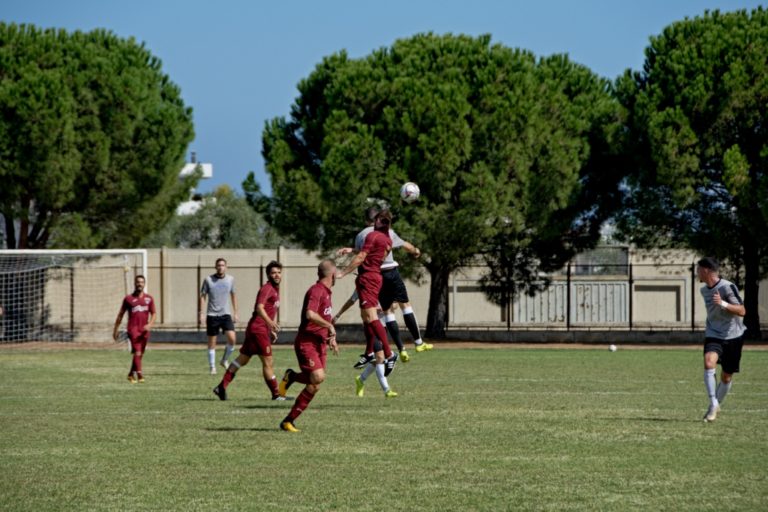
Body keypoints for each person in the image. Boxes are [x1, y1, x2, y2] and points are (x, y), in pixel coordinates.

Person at [337, 206, 432, 365]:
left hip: (373, 276)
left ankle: (397, 349)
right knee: (404, 305)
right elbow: (405, 246)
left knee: (383, 313)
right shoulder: (387, 234)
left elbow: (363, 253)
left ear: (367, 220)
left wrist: (348, 258)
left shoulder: (361, 235)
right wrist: (416, 251)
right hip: (390, 272)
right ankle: (417, 342)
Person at [336, 209, 398, 398]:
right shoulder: (388, 241)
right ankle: (370, 361)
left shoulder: (371, 236)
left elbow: (363, 257)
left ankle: (388, 353)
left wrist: (343, 272)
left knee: (370, 319)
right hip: (372, 279)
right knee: (367, 319)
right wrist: (353, 250)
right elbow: (371, 254)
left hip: (368, 279)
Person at [277, 260, 339, 432]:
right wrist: (330, 326)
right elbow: (310, 314)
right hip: (307, 342)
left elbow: (323, 319)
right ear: (332, 275)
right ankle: (287, 421)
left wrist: (331, 337)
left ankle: (291, 378)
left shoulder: (327, 292)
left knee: (316, 382)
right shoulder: (316, 290)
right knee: (317, 377)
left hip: (319, 343)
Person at [213, 261, 284, 401]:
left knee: (242, 360)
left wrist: (270, 328)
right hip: (258, 330)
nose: (277, 275)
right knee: (268, 362)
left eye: (279, 272)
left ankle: (221, 387)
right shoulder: (267, 288)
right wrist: (270, 323)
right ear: (268, 275)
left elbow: (268, 310)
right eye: (273, 272)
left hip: (257, 329)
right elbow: (259, 307)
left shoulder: (275, 289)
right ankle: (276, 395)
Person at [696, 257, 746, 422]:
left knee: (726, 377)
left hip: (733, 336)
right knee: (709, 362)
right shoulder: (704, 290)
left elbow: (742, 311)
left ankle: (715, 405)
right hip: (713, 334)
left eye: (698, 269)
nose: (696, 272)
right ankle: (713, 403)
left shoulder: (727, 287)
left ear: (706, 270)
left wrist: (723, 303)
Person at [113, 275, 156, 383]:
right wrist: (115, 329)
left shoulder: (149, 298)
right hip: (133, 330)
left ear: (144, 284)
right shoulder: (128, 299)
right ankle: (140, 375)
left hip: (144, 330)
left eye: (141, 282)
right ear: (134, 283)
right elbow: (120, 315)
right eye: (138, 282)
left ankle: (131, 374)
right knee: (137, 352)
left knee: (140, 353)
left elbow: (154, 313)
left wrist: (150, 324)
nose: (140, 284)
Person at [199, 258, 239, 375]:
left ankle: (224, 360)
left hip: (226, 314)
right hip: (212, 315)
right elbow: (203, 296)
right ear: (215, 267)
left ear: (226, 267)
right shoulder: (208, 280)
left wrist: (236, 312)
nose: (221, 267)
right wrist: (201, 313)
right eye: (218, 265)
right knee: (212, 342)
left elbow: (233, 296)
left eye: (223, 265)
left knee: (232, 339)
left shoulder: (230, 280)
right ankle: (212, 367)